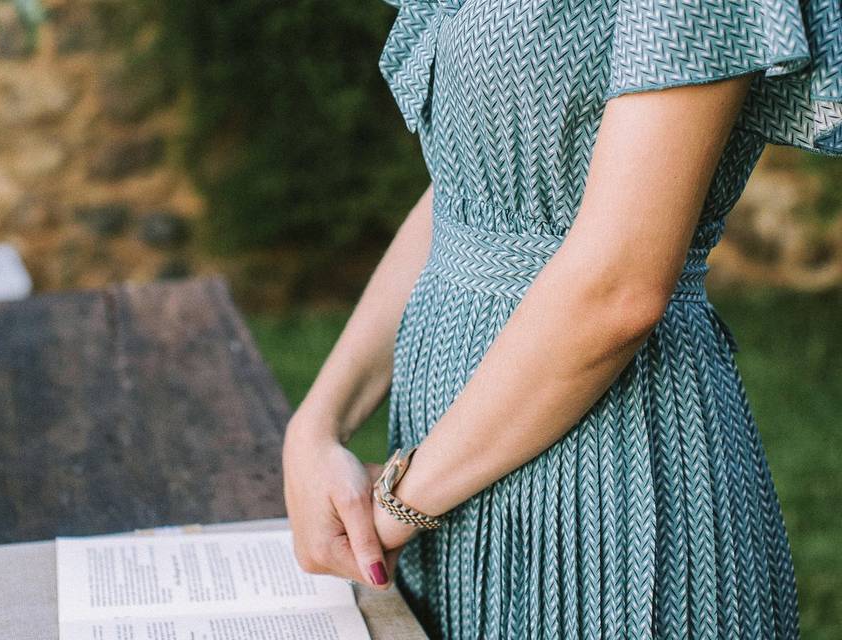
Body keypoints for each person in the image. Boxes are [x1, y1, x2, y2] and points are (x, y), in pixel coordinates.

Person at [282, 0, 841, 637]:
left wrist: (392, 508)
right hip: (446, 477)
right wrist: (317, 422)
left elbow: (619, 288)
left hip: (610, 485)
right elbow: (474, 199)